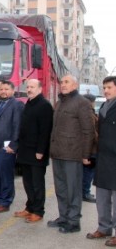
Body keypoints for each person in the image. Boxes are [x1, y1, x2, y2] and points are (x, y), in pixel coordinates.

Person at [47, 74, 94, 233]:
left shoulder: (82, 103)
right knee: (61, 189)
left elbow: (88, 131)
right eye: (61, 82)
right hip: (58, 153)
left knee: (73, 189)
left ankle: (73, 222)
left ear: (75, 85)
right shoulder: (60, 103)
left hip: (73, 154)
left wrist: (86, 154)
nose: (63, 85)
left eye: (66, 82)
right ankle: (63, 217)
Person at [15, 79, 53, 223]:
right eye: (28, 86)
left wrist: (41, 150)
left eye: (32, 87)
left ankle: (38, 211)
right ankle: (29, 207)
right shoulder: (29, 103)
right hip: (25, 151)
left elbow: (45, 131)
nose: (29, 89)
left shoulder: (44, 105)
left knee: (37, 184)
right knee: (28, 182)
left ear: (40, 89)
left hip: (37, 152)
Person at [0, 80, 24, 213]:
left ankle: (5, 201)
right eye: (1, 89)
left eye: (7, 89)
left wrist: (13, 145)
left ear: (13, 91)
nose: (3, 91)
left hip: (5, 147)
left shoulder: (16, 105)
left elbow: (17, 126)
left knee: (5, 176)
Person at [86, 76, 116, 246]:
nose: (106, 90)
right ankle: (104, 228)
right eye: (104, 87)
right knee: (102, 197)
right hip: (103, 158)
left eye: (109, 87)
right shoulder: (104, 106)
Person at [82, 93, 98, 203]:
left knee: (87, 172)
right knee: (88, 172)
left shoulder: (88, 112)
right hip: (91, 149)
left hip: (90, 148)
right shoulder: (88, 113)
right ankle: (85, 193)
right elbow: (92, 132)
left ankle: (84, 191)